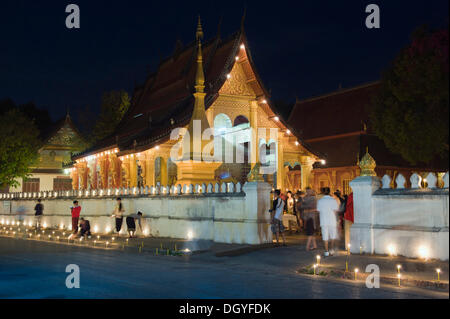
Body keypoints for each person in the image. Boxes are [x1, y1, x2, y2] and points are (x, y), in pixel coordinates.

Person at [317, 187, 339, 257]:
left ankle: (326, 251)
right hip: (332, 220)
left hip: (323, 220)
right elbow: (335, 211)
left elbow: (319, 210)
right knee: (333, 235)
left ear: (323, 192)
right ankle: (331, 249)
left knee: (325, 236)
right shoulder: (333, 200)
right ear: (330, 192)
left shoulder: (320, 201)